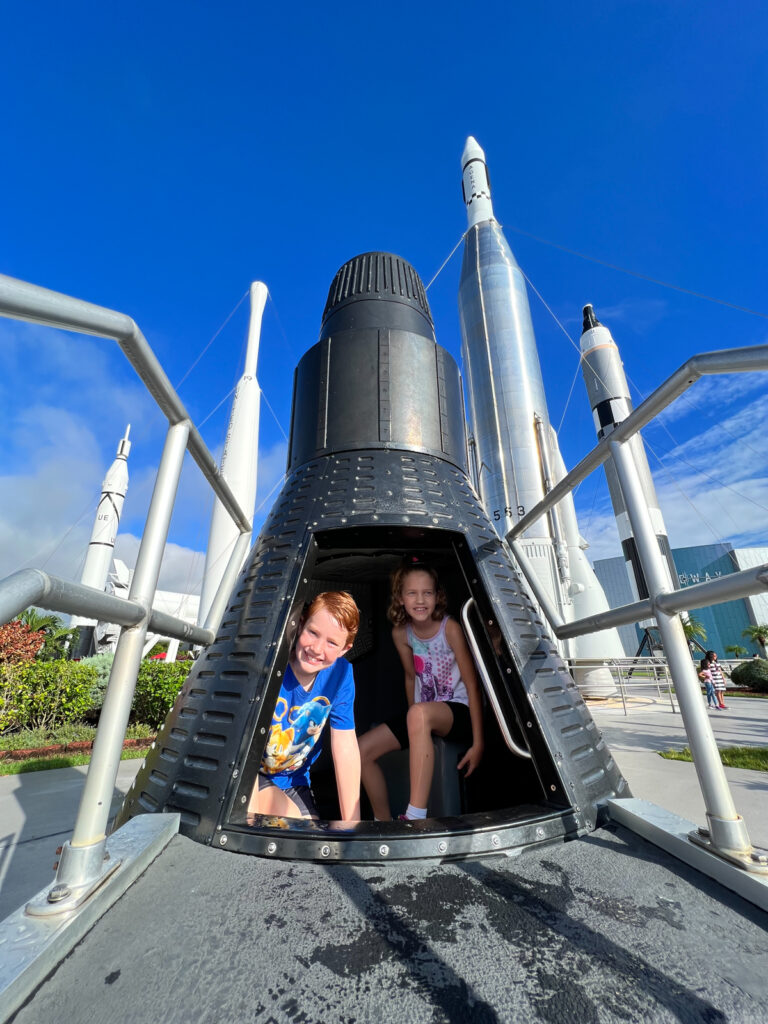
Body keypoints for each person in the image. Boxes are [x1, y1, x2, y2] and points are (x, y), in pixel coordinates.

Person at [358, 557, 483, 821]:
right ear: (401, 598)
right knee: (360, 750)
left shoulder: (450, 628)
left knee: (419, 714)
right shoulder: (401, 633)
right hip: (423, 713)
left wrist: (478, 741)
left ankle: (415, 816)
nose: (420, 600)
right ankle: (384, 822)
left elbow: (473, 685)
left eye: (427, 593)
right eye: (412, 593)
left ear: (437, 597)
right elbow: (410, 677)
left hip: (457, 711)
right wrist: (413, 726)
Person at [248, 591, 361, 821]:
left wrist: (352, 824)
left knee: (310, 838)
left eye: (331, 643)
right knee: (283, 822)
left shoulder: (341, 674)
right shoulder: (272, 665)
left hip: (293, 781)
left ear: (345, 649)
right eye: (313, 633)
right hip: (249, 776)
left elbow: (345, 746)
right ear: (300, 625)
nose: (317, 649)